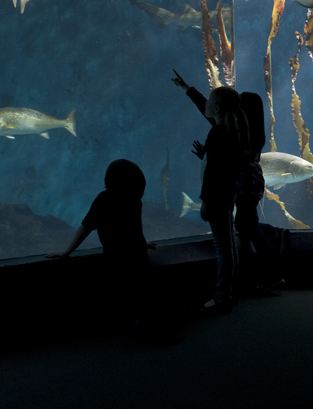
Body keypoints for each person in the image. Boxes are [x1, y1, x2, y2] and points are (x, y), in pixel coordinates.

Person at [172, 71, 286, 294]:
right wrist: (188, 89)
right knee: (244, 225)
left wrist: (211, 155)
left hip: (246, 187)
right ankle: (262, 269)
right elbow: (210, 111)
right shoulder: (246, 132)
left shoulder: (240, 134)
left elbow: (230, 159)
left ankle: (273, 266)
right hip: (249, 187)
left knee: (247, 226)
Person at [47, 159, 156, 329]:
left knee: (125, 290)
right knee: (142, 290)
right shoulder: (134, 200)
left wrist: (67, 251)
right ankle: (147, 321)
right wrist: (140, 243)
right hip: (137, 253)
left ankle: (138, 322)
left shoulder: (104, 199)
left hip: (116, 256)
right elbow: (134, 228)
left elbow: (86, 227)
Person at [173, 72, 248, 313]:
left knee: (223, 248)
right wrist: (187, 89)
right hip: (227, 195)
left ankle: (221, 296)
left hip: (217, 197)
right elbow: (224, 165)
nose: (205, 104)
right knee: (230, 246)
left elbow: (214, 173)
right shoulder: (229, 128)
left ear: (216, 108)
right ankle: (230, 292)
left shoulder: (217, 133)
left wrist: (204, 201)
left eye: (209, 102)